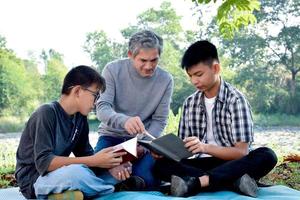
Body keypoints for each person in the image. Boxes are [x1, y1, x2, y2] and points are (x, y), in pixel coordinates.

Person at [153, 40, 278, 197]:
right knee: (160, 165)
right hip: (203, 164)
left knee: (267, 155)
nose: (194, 81)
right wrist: (167, 152)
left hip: (231, 162)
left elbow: (241, 152)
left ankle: (198, 182)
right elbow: (184, 151)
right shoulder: (190, 103)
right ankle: (234, 182)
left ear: (216, 68)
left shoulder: (235, 100)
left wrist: (205, 147)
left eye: (199, 74)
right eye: (190, 76)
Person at [15, 65, 143, 199]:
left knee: (115, 170)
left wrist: (109, 165)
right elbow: (44, 163)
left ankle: (86, 190)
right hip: (34, 180)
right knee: (77, 173)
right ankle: (109, 189)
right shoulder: (46, 113)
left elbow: (86, 154)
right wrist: (94, 160)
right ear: (77, 91)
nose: (96, 102)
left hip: (59, 174)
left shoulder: (80, 118)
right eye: (95, 95)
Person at [94, 30, 173, 189]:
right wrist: (125, 121)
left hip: (144, 143)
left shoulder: (166, 80)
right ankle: (116, 181)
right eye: (143, 60)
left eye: (154, 60)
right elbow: (102, 108)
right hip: (111, 138)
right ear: (130, 54)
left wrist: (143, 146)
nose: (149, 66)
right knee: (97, 175)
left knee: (146, 180)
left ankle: (125, 182)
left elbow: (160, 121)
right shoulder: (112, 70)